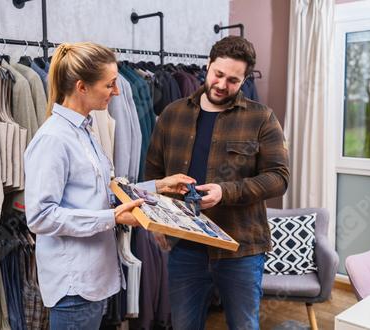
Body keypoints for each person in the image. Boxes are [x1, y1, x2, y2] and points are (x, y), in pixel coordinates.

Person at [24, 42, 195, 329]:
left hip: (95, 279)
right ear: (81, 87)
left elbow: (104, 192)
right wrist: (112, 217)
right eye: (110, 85)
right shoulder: (53, 139)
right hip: (74, 285)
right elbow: (40, 216)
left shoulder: (84, 130)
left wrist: (159, 186)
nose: (116, 92)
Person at [145, 36, 290, 330]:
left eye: (233, 80)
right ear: (208, 66)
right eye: (218, 74)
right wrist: (157, 220)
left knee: (244, 326)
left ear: (245, 79)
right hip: (184, 245)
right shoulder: (172, 114)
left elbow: (279, 178)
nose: (222, 84)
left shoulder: (261, 118)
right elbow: (154, 173)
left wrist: (226, 192)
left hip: (241, 249)